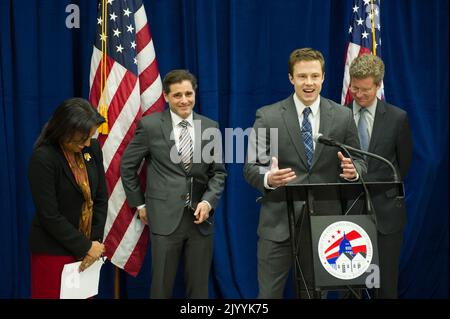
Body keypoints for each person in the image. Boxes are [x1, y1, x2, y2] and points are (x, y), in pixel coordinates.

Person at [243, 48, 367, 299]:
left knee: (315, 294)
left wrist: (354, 171)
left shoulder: (342, 116)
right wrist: (269, 178)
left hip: (325, 224)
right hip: (278, 223)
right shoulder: (268, 116)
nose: (308, 83)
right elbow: (251, 167)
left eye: (314, 76)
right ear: (291, 78)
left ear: (323, 77)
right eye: (302, 76)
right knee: (268, 296)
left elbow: (360, 161)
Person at [120, 69, 227, 299]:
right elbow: (127, 167)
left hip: (200, 221)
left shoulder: (210, 126)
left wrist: (208, 202)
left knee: (198, 291)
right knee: (161, 288)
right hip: (163, 218)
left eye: (189, 93)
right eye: (177, 95)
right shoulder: (150, 126)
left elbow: (218, 173)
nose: (184, 100)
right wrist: (139, 205)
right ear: (166, 96)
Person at [347, 53, 413, 298]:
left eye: (366, 89)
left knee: (385, 287)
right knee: (349, 287)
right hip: (348, 212)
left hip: (387, 216)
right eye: (355, 88)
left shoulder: (398, 118)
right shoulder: (338, 116)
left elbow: (402, 165)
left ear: (378, 85)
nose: (359, 95)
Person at [28, 97, 108, 299]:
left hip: (88, 251)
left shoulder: (92, 149)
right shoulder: (43, 158)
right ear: (64, 131)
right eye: (82, 139)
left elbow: (100, 198)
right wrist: (86, 246)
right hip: (53, 251)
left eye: (90, 136)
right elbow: (49, 216)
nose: (88, 143)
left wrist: (94, 243)